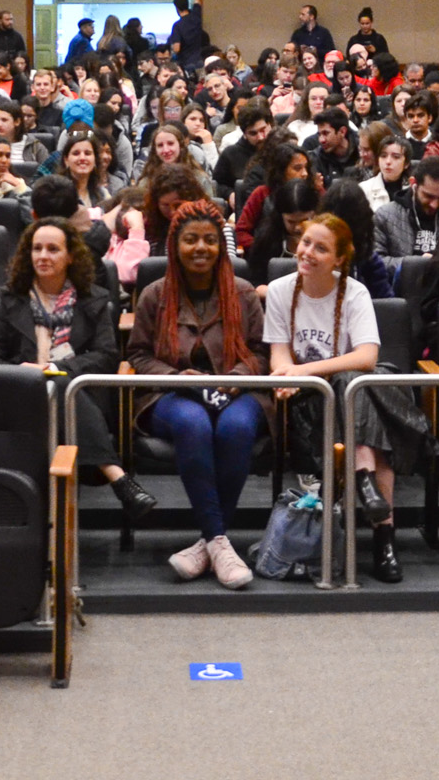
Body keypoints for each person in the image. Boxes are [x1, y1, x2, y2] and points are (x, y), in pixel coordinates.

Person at [264, 213, 424, 583]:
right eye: (306, 242)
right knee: (369, 420)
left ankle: (366, 482)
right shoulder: (280, 290)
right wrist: (288, 376)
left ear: (339, 258)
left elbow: (367, 357)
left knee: (353, 383)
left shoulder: (355, 292)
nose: (308, 252)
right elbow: (279, 355)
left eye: (321, 248)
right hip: (312, 403)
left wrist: (303, 370)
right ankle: (383, 537)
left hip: (353, 396)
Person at [127, 200, 269, 589]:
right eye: (191, 240)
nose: (201, 248)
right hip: (170, 394)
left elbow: (262, 352)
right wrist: (177, 377)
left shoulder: (243, 293)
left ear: (221, 246)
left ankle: (208, 545)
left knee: (236, 429)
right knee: (194, 424)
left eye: (209, 239)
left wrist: (239, 375)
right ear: (175, 245)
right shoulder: (155, 294)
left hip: (238, 391)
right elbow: (137, 354)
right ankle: (219, 542)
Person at [0, 218, 151, 519]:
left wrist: (56, 367)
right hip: (22, 396)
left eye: (53, 249)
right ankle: (117, 476)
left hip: (80, 396)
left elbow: (106, 356)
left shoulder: (94, 299)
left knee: (58, 382)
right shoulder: (8, 300)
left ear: (70, 255)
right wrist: (24, 372)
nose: (43, 256)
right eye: (36, 249)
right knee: (52, 382)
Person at [372, 155, 439, 258]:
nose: (434, 204)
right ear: (413, 183)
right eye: (428, 196)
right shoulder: (385, 216)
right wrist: (416, 264)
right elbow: (376, 260)